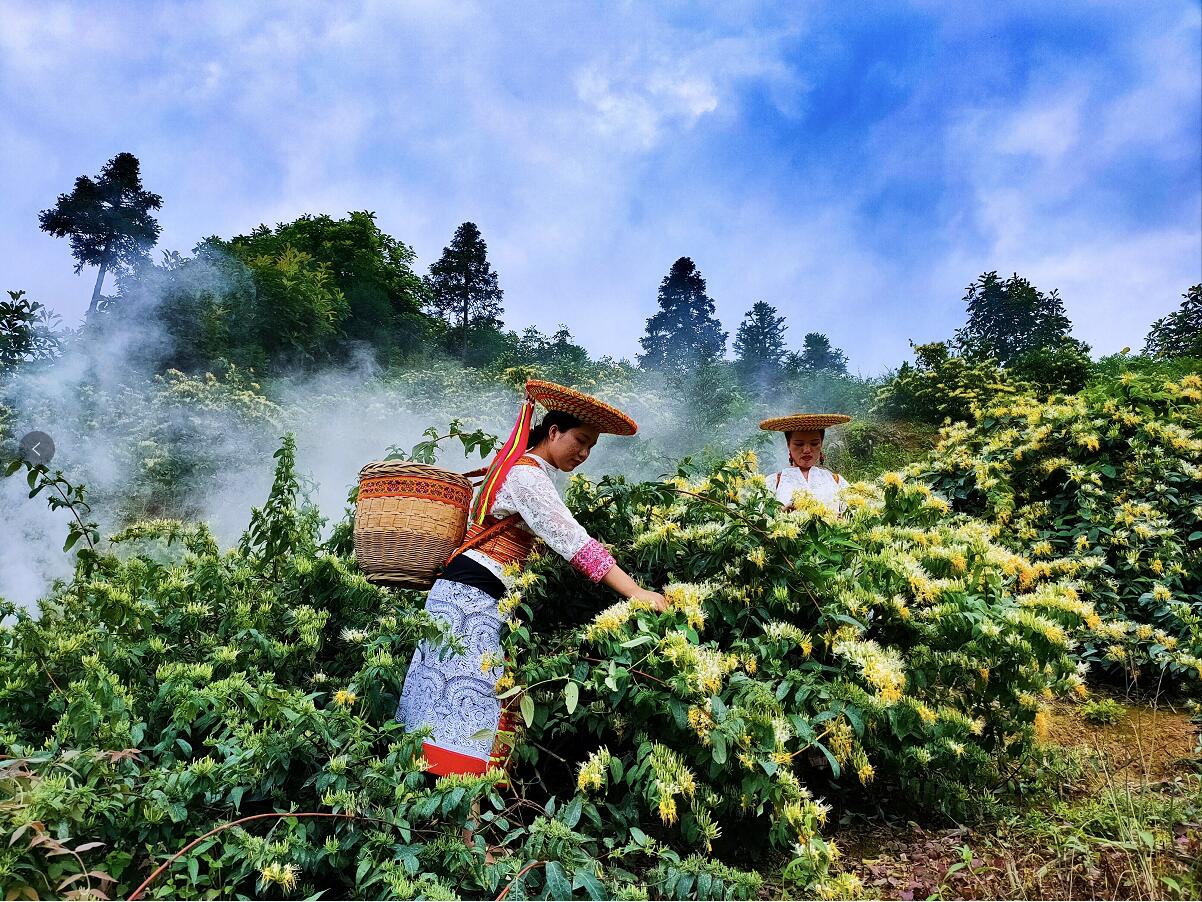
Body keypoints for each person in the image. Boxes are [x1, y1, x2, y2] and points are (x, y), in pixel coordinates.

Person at [397, 379, 666, 780]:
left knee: (451, 704)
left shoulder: (527, 470)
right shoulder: (528, 476)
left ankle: (440, 806)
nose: (584, 453)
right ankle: (456, 811)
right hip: (471, 597)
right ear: (553, 431)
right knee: (465, 708)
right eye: (580, 440)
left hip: (468, 594)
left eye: (591, 446)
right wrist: (635, 591)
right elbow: (573, 541)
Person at [760, 413, 852, 513]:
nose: (807, 450)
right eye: (799, 444)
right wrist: (782, 512)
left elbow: (855, 514)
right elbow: (758, 518)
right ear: (788, 445)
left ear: (821, 444)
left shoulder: (836, 481)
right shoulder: (773, 482)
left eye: (814, 443)